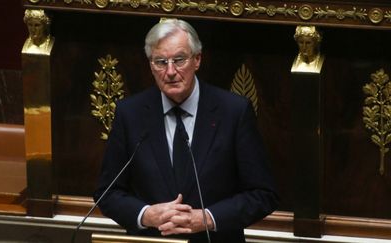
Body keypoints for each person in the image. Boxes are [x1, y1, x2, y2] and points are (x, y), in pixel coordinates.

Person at [94, 18, 278, 243]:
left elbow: (263, 194)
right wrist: (147, 215)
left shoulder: (233, 112)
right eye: (160, 62)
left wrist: (208, 219)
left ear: (197, 60)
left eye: (179, 60)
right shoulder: (130, 114)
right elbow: (108, 194)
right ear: (151, 65)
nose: (170, 71)